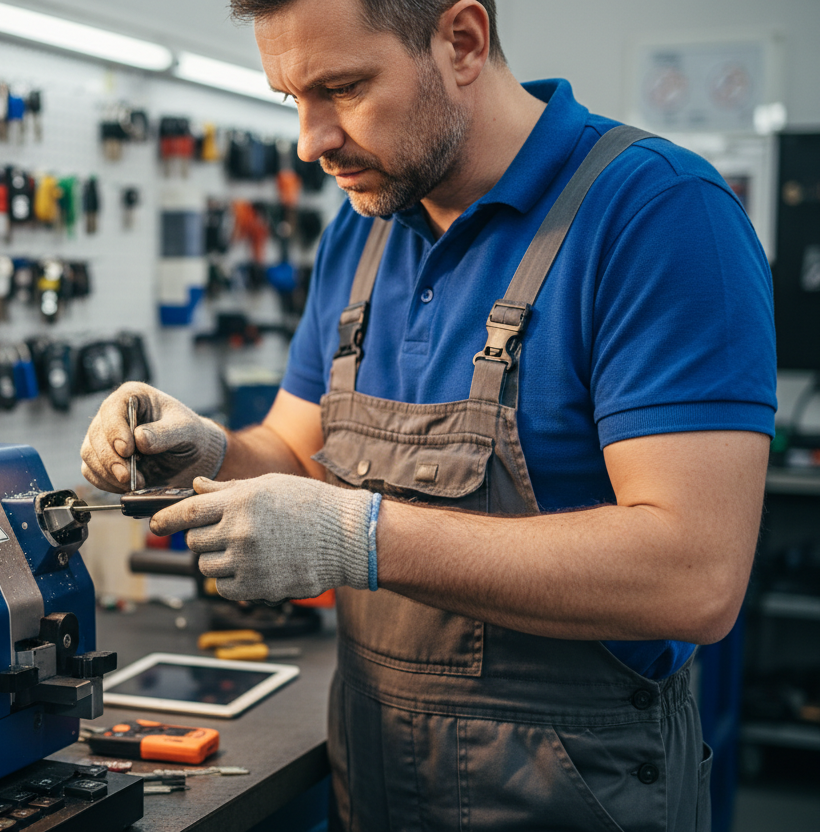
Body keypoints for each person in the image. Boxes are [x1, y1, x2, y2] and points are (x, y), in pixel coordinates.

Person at [81, 0, 776, 829]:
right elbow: (301, 456)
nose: (310, 140)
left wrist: (359, 538)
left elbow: (692, 577)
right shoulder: (362, 234)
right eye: (290, 99)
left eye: (341, 87)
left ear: (462, 41)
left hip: (574, 796)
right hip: (374, 780)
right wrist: (208, 450)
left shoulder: (660, 215)